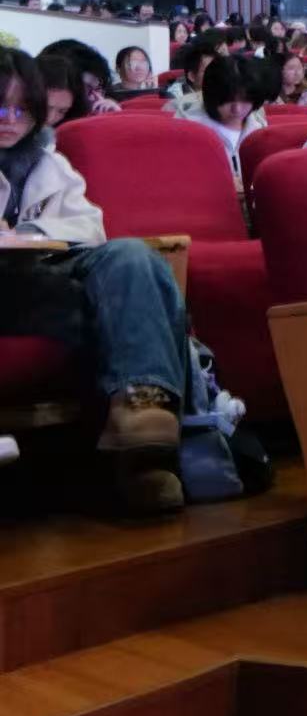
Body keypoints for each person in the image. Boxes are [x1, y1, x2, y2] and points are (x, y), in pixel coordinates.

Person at [0, 48, 202, 513]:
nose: (11, 122)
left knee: (132, 257)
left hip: (46, 271)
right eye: (1, 109)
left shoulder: (49, 163)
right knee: (110, 301)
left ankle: (143, 411)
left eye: (23, 110)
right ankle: (138, 464)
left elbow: (90, 226)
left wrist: (28, 232)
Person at [181, 55, 265, 186]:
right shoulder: (187, 130)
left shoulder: (259, 128)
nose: (237, 109)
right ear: (211, 97)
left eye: (245, 101)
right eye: (228, 101)